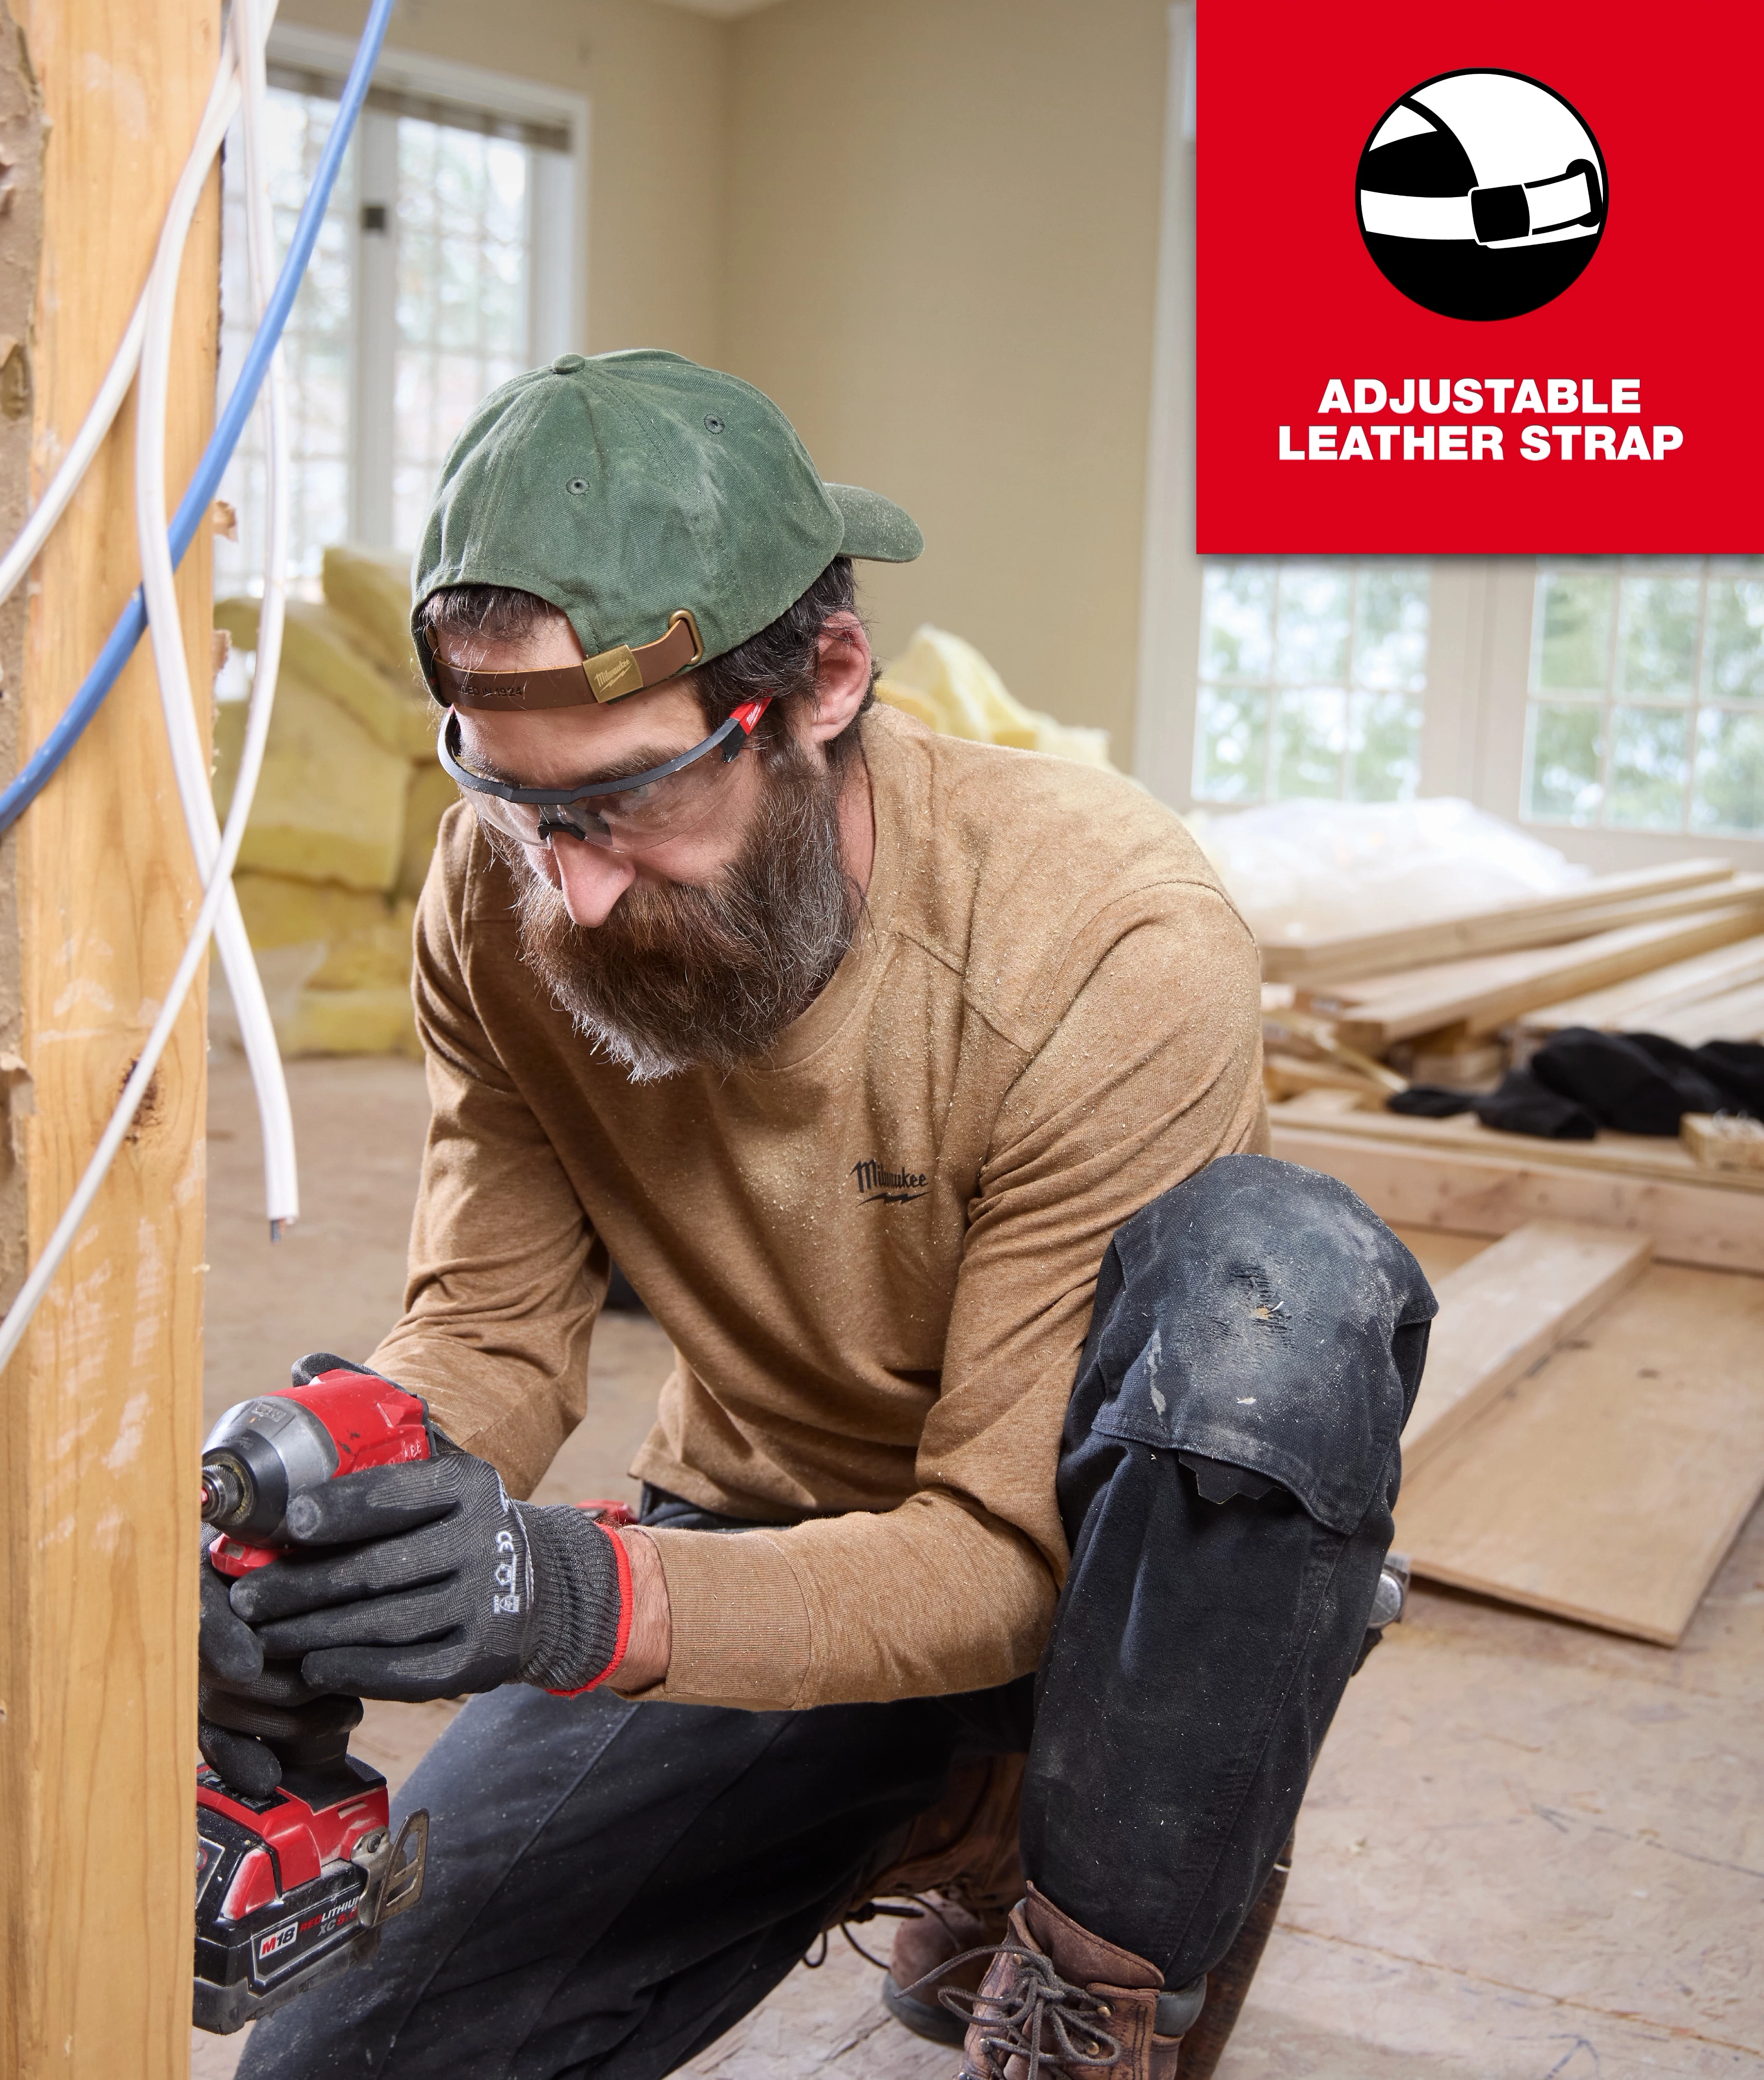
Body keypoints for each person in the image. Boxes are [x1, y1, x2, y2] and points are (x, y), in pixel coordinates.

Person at [199, 349, 1434, 2080]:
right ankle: (930, 1806)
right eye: (513, 797)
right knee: (346, 2062)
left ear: (822, 684)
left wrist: (565, 1595)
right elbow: (487, 1327)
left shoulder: (1105, 938)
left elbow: (999, 1551)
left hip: (1098, 1581)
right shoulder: (506, 902)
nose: (573, 884)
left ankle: (1099, 1931)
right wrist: (350, 1492)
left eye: (627, 795)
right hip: (760, 1529)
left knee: (1281, 1290)